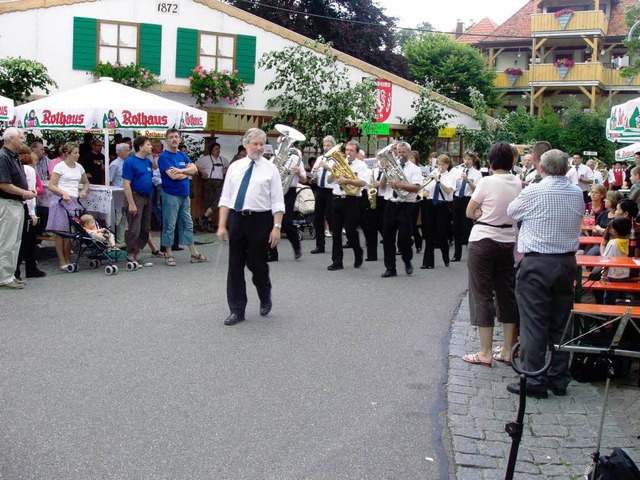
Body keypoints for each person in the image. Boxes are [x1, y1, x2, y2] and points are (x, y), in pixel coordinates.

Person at [506, 149, 584, 399]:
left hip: (538, 261)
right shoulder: (576, 192)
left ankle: (533, 378)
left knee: (533, 321)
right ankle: (559, 377)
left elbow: (512, 212)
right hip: (566, 262)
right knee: (561, 321)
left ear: (541, 167)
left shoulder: (534, 190)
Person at [461, 142, 522, 367]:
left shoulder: (487, 181)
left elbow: (470, 210)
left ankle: (485, 352)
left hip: (483, 238)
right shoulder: (517, 182)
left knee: (482, 294)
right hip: (507, 241)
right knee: (506, 293)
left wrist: (481, 213)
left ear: (491, 160)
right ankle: (507, 349)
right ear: (512, 161)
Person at [217, 128, 285, 326]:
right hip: (238, 219)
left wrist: (277, 227)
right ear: (245, 144)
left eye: (261, 144)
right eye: (254, 144)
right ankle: (237, 310)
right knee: (235, 266)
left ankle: (265, 295)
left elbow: (277, 201)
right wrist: (222, 225)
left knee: (257, 264)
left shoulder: (271, 169)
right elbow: (226, 198)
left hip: (260, 220)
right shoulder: (235, 167)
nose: (258, 147)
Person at [157, 128, 208, 266]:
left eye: (176, 137)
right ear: (166, 140)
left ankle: (194, 253)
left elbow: (195, 169)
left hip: (184, 195)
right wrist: (187, 173)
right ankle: (169, 254)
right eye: (171, 137)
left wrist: (181, 171)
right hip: (170, 195)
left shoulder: (182, 155)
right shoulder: (164, 157)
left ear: (180, 139)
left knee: (188, 223)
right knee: (170, 224)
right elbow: (173, 175)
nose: (174, 139)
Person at [378, 141, 422, 277]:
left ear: (409, 153)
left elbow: (416, 187)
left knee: (404, 238)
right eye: (399, 151)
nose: (400, 154)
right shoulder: (391, 165)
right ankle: (390, 268)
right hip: (391, 204)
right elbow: (382, 186)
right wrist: (385, 171)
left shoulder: (415, 169)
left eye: (403, 152)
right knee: (387, 238)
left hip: (406, 206)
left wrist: (400, 185)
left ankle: (407, 260)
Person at [0, 128, 36, 289]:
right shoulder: (3, 157)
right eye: (21, 138)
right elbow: (4, 184)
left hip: (17, 203)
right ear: (12, 139)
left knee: (15, 242)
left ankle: (10, 274)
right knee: (6, 241)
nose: (23, 140)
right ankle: (4, 277)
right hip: (8, 203)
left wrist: (28, 191)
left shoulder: (13, 157)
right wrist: (24, 192)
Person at [46, 142, 90, 270]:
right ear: (67, 154)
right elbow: (51, 185)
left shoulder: (79, 167)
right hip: (60, 200)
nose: (78, 155)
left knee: (72, 231)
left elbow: (86, 182)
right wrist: (63, 192)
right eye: (75, 153)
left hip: (73, 200)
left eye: (78, 152)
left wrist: (83, 191)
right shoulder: (60, 167)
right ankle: (62, 260)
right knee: (61, 232)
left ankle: (67, 258)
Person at [326, 141, 368, 271]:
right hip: (337, 199)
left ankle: (358, 251)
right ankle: (337, 261)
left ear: (357, 152)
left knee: (350, 231)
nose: (348, 153)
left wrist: (347, 180)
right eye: (347, 150)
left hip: (352, 200)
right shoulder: (338, 162)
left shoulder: (361, 165)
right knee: (336, 232)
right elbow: (328, 181)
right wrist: (334, 171)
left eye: (351, 151)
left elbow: (363, 182)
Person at [268, 139, 306, 261]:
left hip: (288, 191)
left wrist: (299, 173)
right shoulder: (273, 159)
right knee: (269, 222)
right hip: (273, 192)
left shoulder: (295, 158)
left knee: (287, 221)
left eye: (284, 143)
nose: (281, 146)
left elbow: (304, 179)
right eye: (280, 143)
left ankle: (296, 247)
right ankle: (273, 254)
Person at [14, 147, 46, 280]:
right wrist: (32, 213)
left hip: (19, 205)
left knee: (25, 240)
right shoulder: (29, 170)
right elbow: (31, 192)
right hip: (27, 206)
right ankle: (21, 269)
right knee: (27, 240)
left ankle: (27, 268)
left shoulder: (18, 168)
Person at [122, 136, 154, 264]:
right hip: (135, 196)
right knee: (134, 226)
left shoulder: (147, 162)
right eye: (148, 144)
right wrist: (131, 203)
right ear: (141, 147)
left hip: (147, 196)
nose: (151, 146)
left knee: (145, 227)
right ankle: (130, 253)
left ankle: (138, 250)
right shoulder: (130, 162)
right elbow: (126, 184)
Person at [421, 154, 455, 269]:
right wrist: (422, 191)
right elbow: (426, 190)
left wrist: (439, 181)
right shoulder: (433, 173)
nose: (440, 166)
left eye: (443, 164)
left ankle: (445, 256)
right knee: (428, 233)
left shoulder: (450, 176)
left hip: (442, 205)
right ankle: (428, 262)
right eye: (439, 164)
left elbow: (449, 190)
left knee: (441, 233)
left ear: (447, 165)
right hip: (430, 204)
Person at [451, 151, 482, 262]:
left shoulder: (477, 173)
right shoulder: (458, 171)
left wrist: (468, 180)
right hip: (458, 198)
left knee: (467, 227)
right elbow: (453, 185)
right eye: (465, 159)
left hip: (468, 199)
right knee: (456, 226)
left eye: (469, 159)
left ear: (473, 160)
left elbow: (478, 189)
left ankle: (470, 254)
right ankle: (457, 254)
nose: (466, 161)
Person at [309, 136, 336, 255]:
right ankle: (320, 245)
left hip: (332, 191)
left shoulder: (336, 159)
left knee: (331, 218)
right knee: (317, 218)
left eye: (328, 145)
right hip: (320, 190)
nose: (326, 148)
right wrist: (312, 174)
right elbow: (315, 174)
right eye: (324, 145)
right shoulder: (320, 158)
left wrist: (327, 167)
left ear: (333, 146)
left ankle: (337, 244)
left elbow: (338, 174)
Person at [195, 142, 229, 230]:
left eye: (219, 149)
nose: (218, 150)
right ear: (212, 150)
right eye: (216, 149)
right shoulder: (205, 159)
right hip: (208, 182)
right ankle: (208, 224)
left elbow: (228, 167)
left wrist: (225, 170)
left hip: (220, 182)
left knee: (218, 202)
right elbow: (195, 166)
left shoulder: (223, 159)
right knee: (208, 202)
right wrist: (202, 172)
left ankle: (202, 218)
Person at [601, 217, 632, 306]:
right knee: (621, 298)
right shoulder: (628, 242)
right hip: (625, 275)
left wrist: (603, 276)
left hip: (612, 276)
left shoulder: (613, 243)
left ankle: (609, 317)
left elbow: (606, 260)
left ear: (614, 231)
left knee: (610, 299)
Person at [109, 142, 129, 244]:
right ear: (120, 152)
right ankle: (113, 240)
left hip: (126, 194)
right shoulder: (115, 164)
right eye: (126, 150)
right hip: (117, 194)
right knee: (117, 217)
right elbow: (109, 179)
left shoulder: (127, 162)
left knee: (123, 218)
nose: (128, 152)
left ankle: (121, 240)